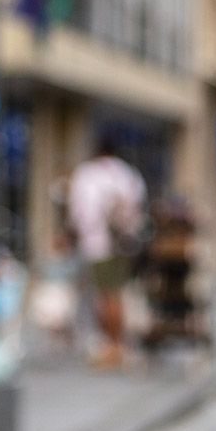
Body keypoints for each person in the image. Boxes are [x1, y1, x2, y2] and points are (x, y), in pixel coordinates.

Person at [68, 137, 146, 369]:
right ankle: (117, 343)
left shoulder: (89, 174)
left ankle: (112, 345)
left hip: (99, 244)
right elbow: (137, 208)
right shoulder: (128, 175)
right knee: (116, 293)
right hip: (124, 243)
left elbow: (81, 212)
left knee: (106, 295)